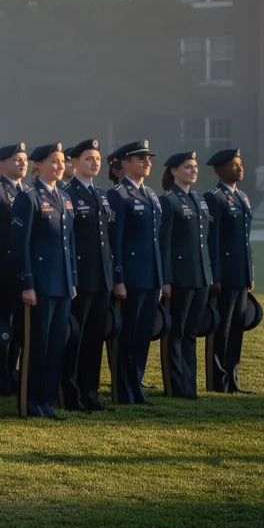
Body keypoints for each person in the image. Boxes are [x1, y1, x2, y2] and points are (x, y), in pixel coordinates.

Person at [9, 143, 77, 420]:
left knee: (56, 345)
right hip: (39, 285)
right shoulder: (29, 197)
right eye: (53, 161)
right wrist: (27, 283)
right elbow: (20, 244)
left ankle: (47, 401)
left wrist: (72, 279)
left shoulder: (63, 197)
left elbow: (69, 243)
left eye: (62, 162)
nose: (59, 166)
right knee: (37, 345)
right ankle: (30, 402)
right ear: (38, 166)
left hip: (61, 284)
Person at [106, 140, 162, 406]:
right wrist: (118, 279)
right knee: (126, 337)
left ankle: (136, 385)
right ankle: (123, 389)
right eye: (141, 159)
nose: (147, 163)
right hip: (130, 278)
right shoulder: (119, 195)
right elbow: (114, 241)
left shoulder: (150, 194)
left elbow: (155, 240)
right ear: (125, 163)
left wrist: (160, 278)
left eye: (148, 159)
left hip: (150, 277)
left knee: (142, 337)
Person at [62, 139, 114, 412]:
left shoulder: (101, 195)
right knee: (76, 338)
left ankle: (90, 392)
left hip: (102, 278)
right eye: (88, 159)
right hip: (81, 277)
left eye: (97, 158)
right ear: (74, 162)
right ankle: (72, 395)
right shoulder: (67, 193)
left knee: (95, 338)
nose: (94, 163)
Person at [159, 151, 212, 400]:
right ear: (174, 171)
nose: (193, 170)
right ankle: (175, 385)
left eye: (195, 166)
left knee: (191, 333)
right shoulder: (168, 201)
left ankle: (190, 386)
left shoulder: (199, 199)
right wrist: (166, 279)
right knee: (176, 333)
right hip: (180, 277)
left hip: (201, 276)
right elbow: (165, 244)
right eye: (188, 167)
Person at [203, 148, 254, 394]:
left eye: (240, 163)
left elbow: (245, 241)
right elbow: (212, 242)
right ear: (221, 169)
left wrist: (250, 274)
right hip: (224, 275)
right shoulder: (214, 198)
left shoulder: (242, 197)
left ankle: (233, 380)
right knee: (220, 330)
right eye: (235, 165)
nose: (240, 168)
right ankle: (217, 381)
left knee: (237, 329)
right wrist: (216, 276)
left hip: (240, 275)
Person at [0, 142, 28, 395]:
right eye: (16, 159)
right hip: (3, 273)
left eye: (24, 159)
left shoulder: (29, 192)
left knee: (19, 330)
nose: (22, 163)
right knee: (1, 331)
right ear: (1, 164)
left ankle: (13, 375)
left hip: (22, 273)